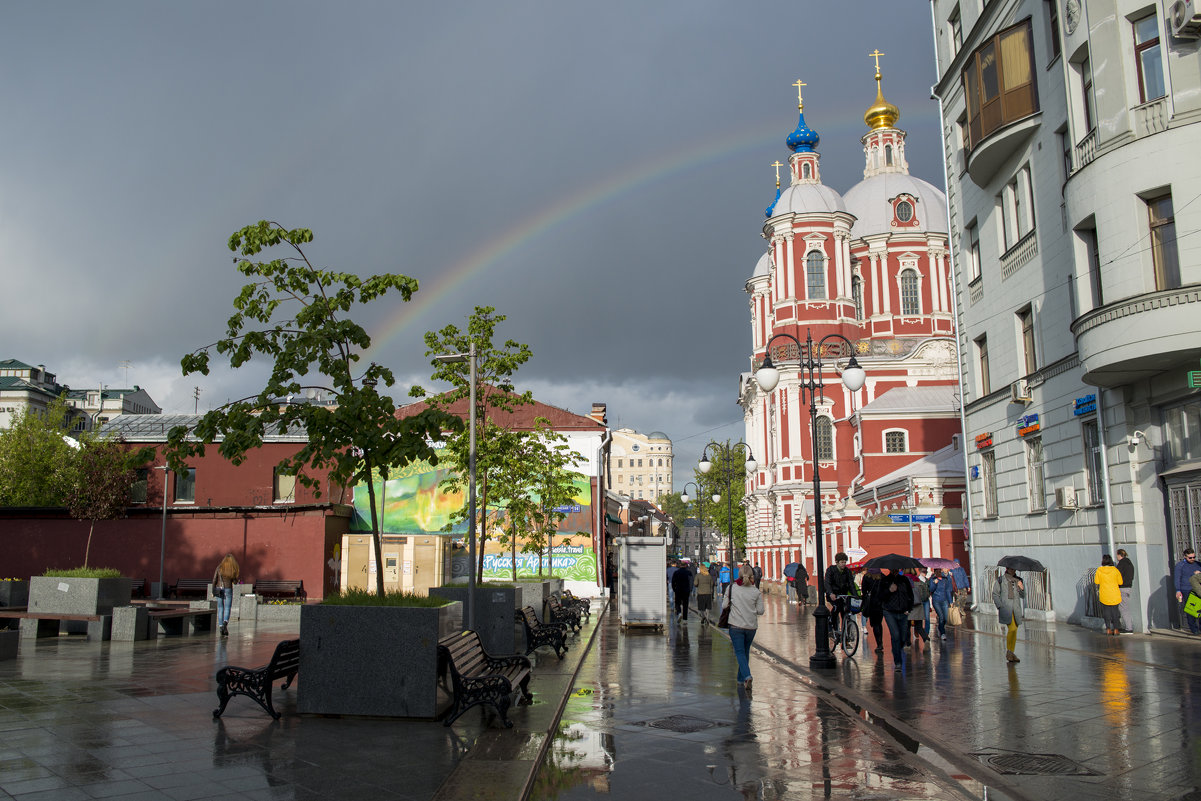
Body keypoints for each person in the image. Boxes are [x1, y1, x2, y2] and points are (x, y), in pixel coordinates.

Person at [723, 564, 765, 692]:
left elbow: (724, 606)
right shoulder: (756, 591)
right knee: (745, 651)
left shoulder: (732, 588)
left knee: (740, 652)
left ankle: (747, 676)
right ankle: (740, 680)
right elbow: (761, 611)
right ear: (752, 576)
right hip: (751, 626)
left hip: (736, 625)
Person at [879, 568, 914, 670]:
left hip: (903, 612)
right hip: (889, 612)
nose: (895, 570)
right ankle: (898, 662)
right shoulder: (884, 580)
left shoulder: (904, 580)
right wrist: (889, 590)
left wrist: (909, 608)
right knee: (895, 635)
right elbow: (880, 596)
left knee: (903, 638)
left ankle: (897, 649)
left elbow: (910, 595)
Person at [993, 566, 1026, 662]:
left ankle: (1011, 652)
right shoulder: (1001, 580)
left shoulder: (1018, 580)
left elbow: (1023, 596)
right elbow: (995, 594)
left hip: (1016, 609)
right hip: (1006, 608)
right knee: (1012, 628)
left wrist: (1021, 587)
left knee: (1015, 630)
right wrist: (1000, 606)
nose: (1013, 571)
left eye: (1014, 569)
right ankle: (1009, 651)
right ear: (1007, 569)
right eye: (1011, 569)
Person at [824, 553, 859, 633]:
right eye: (842, 562)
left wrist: (855, 595)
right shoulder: (831, 570)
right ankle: (832, 624)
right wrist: (830, 593)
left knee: (845, 611)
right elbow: (827, 583)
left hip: (843, 594)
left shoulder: (847, 571)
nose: (843, 564)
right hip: (833, 594)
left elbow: (851, 584)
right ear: (837, 562)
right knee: (837, 607)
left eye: (844, 562)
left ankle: (845, 633)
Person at [211, 552, 239, 636]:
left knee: (220, 608)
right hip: (228, 589)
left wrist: (213, 591)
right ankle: (225, 623)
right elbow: (234, 581)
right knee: (227, 607)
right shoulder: (232, 568)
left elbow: (214, 579)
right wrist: (236, 580)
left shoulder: (219, 567)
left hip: (219, 589)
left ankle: (220, 627)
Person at [1094, 555, 1123, 636]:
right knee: (1115, 612)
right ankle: (1116, 629)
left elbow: (1096, 581)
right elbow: (1120, 582)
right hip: (1114, 594)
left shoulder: (1099, 570)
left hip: (1104, 594)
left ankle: (1108, 629)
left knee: (1106, 612)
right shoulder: (1115, 570)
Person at [1174, 548, 1201, 634]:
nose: (1192, 559)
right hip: (1186, 589)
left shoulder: (1198, 564)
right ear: (1185, 556)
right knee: (1191, 609)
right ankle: (1194, 629)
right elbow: (1177, 578)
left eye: (1194, 557)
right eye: (1190, 558)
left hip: (1198, 589)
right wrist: (1178, 590)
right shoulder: (1180, 565)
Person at [860, 570, 885, 652]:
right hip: (881, 603)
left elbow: (864, 591)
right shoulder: (882, 576)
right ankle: (880, 642)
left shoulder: (867, 577)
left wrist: (863, 603)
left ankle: (879, 644)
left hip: (871, 603)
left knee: (875, 624)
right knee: (879, 623)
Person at [907, 568, 931, 645]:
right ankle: (926, 638)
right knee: (919, 627)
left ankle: (908, 643)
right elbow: (924, 594)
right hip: (918, 605)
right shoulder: (918, 581)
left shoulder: (904, 581)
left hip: (908, 607)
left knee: (907, 627)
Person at [929, 568, 954, 640]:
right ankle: (943, 633)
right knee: (941, 616)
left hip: (944, 600)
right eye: (937, 571)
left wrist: (950, 601)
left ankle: (940, 627)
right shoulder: (932, 579)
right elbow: (931, 590)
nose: (938, 572)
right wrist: (934, 583)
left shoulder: (945, 579)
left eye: (939, 571)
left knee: (945, 618)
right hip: (936, 601)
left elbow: (948, 590)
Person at [1115, 549, 1134, 633]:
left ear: (1119, 555)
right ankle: (1128, 627)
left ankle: (1129, 628)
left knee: (1123, 608)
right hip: (1128, 587)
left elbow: (1117, 576)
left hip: (1122, 587)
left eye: (1117, 555)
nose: (1116, 557)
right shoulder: (1130, 563)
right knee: (1125, 607)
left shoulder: (1121, 564)